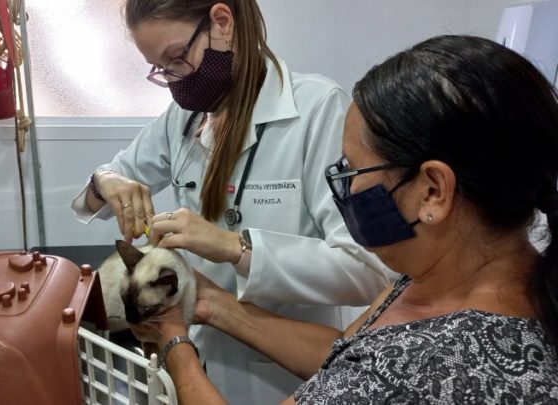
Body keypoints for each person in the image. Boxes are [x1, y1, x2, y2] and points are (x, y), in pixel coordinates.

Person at [131, 34, 558, 404]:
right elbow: (345, 352)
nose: (346, 191)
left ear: (433, 191)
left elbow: (367, 367)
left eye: (354, 171)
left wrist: (175, 341)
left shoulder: (413, 370)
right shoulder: (459, 281)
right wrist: (212, 304)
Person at [71, 0, 390, 402]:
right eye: (160, 69)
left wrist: (235, 248)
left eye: (176, 59)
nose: (173, 80)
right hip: (189, 352)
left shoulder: (318, 110)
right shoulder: (182, 119)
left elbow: (368, 272)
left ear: (222, 22)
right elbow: (92, 195)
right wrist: (107, 179)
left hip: (281, 372)